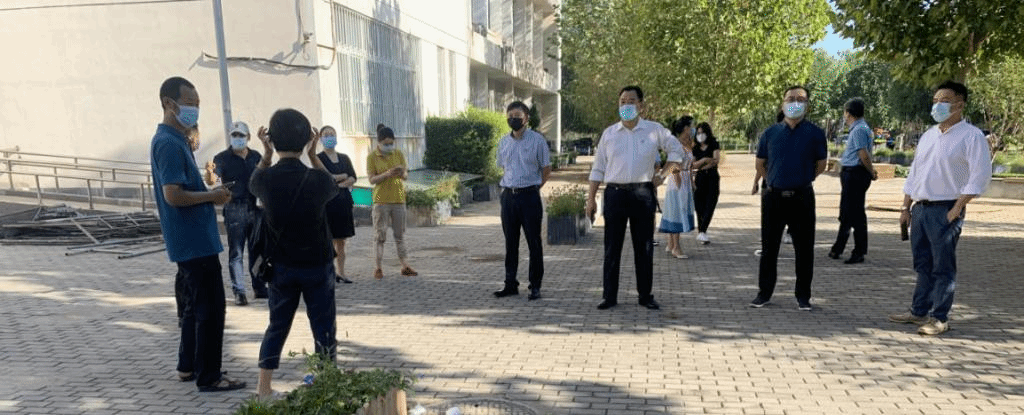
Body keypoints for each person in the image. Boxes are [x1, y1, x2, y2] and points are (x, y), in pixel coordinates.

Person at [150, 76, 245, 392]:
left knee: (194, 307)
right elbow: (173, 195)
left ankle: (188, 366)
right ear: (169, 103)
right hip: (193, 240)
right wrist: (211, 196)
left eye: (197, 104)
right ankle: (210, 376)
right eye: (189, 103)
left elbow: (182, 188)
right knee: (211, 309)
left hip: (193, 239)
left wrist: (209, 192)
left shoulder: (177, 140)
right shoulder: (167, 143)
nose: (194, 109)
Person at [888, 80, 991, 336]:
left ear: (960, 104)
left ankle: (940, 317)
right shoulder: (929, 135)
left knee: (942, 266)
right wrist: (905, 207)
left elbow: (979, 175)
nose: (937, 106)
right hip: (921, 209)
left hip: (946, 209)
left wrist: (957, 207)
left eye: (944, 101)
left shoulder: (971, 136)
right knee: (922, 264)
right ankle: (918, 310)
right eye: (935, 101)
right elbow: (915, 173)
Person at [250, 108, 339, 399]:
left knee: (277, 326)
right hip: (317, 264)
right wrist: (313, 155)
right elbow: (332, 186)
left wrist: (266, 154)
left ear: (272, 140)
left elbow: (253, 182)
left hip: (281, 266)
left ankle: (263, 388)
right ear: (307, 140)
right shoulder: (316, 179)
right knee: (323, 326)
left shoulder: (265, 179)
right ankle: (325, 387)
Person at [585, 85, 684, 311]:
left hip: (642, 194)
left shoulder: (654, 130)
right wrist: (590, 199)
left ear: (641, 105)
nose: (626, 105)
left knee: (644, 247)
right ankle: (609, 296)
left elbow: (678, 152)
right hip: (615, 194)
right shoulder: (609, 134)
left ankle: (645, 295)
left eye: (631, 101)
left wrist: (663, 175)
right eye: (622, 101)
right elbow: (597, 169)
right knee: (612, 247)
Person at [750, 85, 827, 311]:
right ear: (782, 103)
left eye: (800, 99)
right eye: (790, 98)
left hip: (802, 197)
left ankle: (803, 297)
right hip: (773, 197)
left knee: (804, 250)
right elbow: (760, 164)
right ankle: (764, 293)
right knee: (769, 249)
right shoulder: (770, 133)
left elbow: (821, 164)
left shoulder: (815, 133)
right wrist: (772, 180)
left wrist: (802, 178)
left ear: (807, 105)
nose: (795, 102)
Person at [493, 101, 551, 300]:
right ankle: (510, 284)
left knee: (534, 242)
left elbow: (546, 169)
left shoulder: (537, 141)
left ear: (526, 118)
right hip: (508, 197)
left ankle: (535, 285)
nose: (513, 119)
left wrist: (534, 188)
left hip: (529, 197)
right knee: (511, 243)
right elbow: (503, 167)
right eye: (510, 116)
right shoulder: (503, 142)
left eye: (517, 116)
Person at [208, 121, 266, 305]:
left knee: (258, 250)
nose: (238, 138)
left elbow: (264, 175)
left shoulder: (256, 156)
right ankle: (239, 291)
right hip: (235, 207)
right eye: (234, 135)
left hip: (256, 208)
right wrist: (213, 178)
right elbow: (214, 179)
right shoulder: (222, 158)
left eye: (241, 135)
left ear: (248, 137)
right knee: (236, 252)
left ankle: (259, 286)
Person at [828, 98, 878, 265]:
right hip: (852, 173)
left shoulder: (859, 130)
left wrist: (871, 171)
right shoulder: (860, 128)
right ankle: (838, 247)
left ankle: (858, 251)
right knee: (847, 212)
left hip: (855, 174)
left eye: (845, 112)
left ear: (849, 113)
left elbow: (863, 154)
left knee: (854, 214)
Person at [367, 124, 418, 279]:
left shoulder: (398, 154)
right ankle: (378, 268)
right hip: (381, 201)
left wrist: (401, 173)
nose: (389, 146)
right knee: (380, 236)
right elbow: (371, 179)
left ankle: (405, 266)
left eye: (391, 143)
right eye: (386, 144)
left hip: (398, 199)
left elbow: (406, 176)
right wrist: (387, 174)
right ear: (379, 142)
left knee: (399, 235)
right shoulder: (372, 157)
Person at [316, 125, 357, 284]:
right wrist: (342, 176)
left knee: (342, 241)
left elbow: (352, 177)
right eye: (326, 134)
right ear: (321, 138)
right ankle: (329, 273)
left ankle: (341, 272)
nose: (329, 137)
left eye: (332, 134)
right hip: (327, 205)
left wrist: (339, 184)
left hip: (343, 203)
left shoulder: (344, 157)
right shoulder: (318, 158)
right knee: (329, 240)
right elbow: (326, 178)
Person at [658, 116, 696, 259]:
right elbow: (673, 163)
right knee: (676, 213)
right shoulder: (676, 143)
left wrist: (691, 181)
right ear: (686, 128)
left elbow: (690, 165)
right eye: (691, 126)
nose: (693, 129)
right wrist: (678, 180)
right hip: (677, 180)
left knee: (677, 211)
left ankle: (670, 243)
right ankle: (676, 247)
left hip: (685, 179)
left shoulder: (688, 143)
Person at [692, 122, 721, 244]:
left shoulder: (714, 144)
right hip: (700, 178)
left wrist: (703, 164)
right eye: (698, 133)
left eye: (702, 132)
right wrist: (705, 160)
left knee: (710, 204)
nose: (700, 135)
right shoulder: (695, 148)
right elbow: (694, 165)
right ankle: (701, 232)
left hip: (712, 178)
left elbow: (715, 161)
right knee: (699, 206)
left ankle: (703, 230)